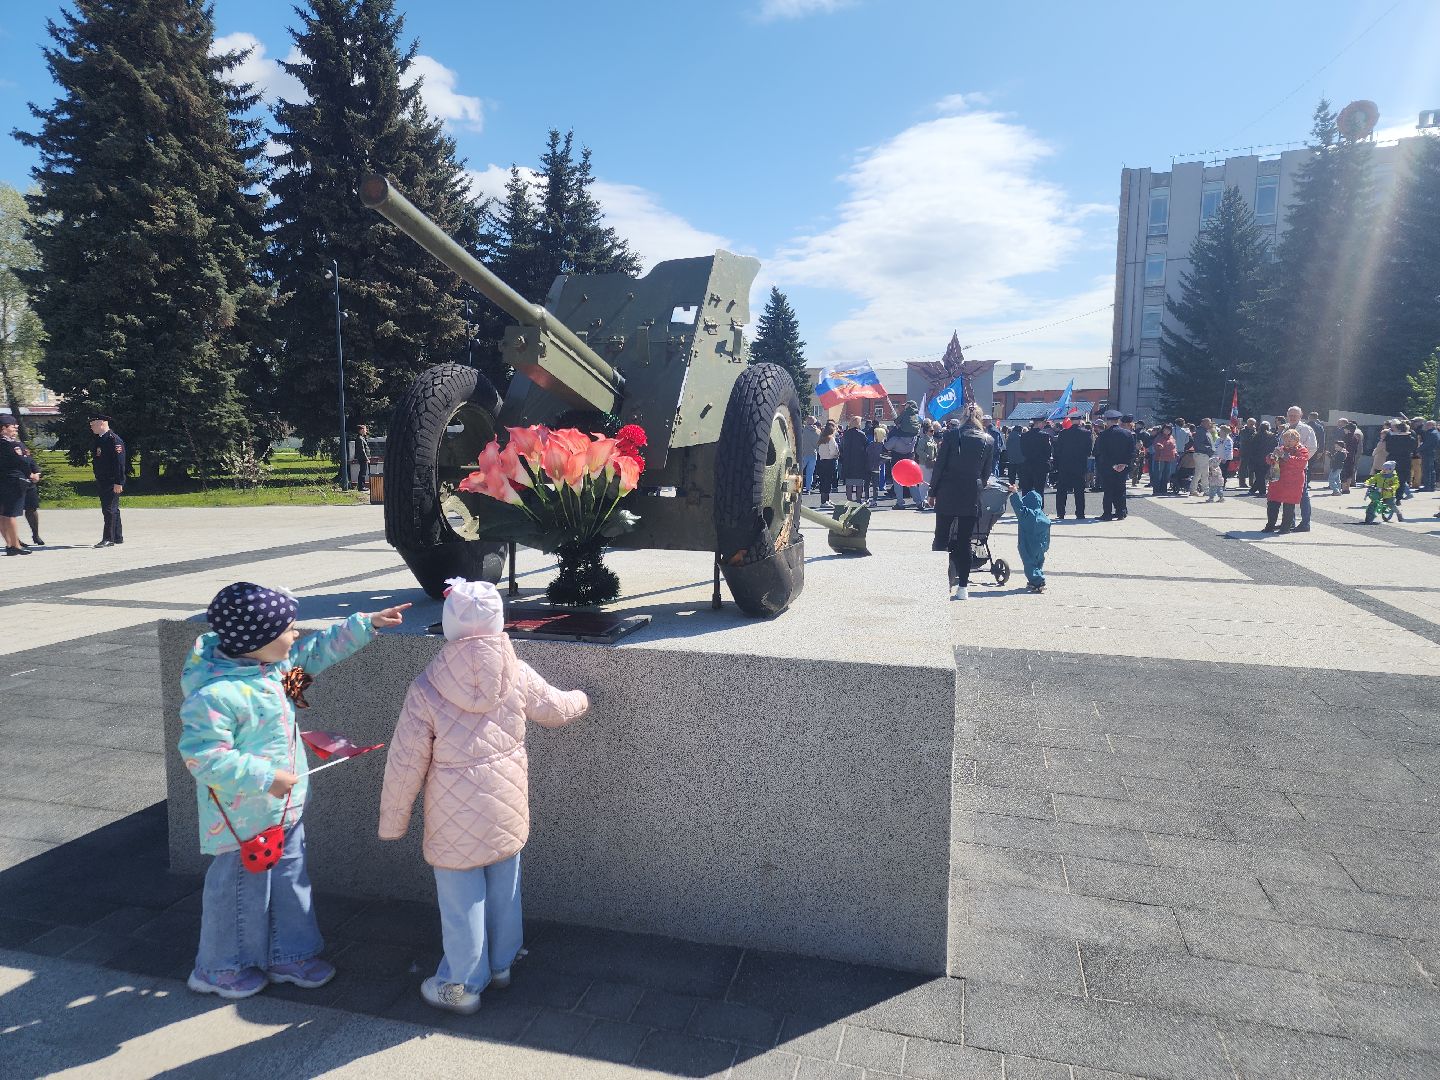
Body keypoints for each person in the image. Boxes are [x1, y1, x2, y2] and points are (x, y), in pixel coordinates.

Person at [178, 582, 411, 999]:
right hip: (239, 821)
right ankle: (218, 966)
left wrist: (365, 625)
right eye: (288, 628)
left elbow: (316, 654)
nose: (296, 635)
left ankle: (290, 954)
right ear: (257, 641)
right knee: (235, 892)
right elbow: (203, 757)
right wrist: (265, 777)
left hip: (285, 810)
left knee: (290, 879)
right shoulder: (215, 695)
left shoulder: (275, 671)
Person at [379, 579, 588, 1015]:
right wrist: (584, 698)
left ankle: (461, 986)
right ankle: (501, 965)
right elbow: (556, 708)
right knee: (504, 890)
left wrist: (393, 822)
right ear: (499, 623)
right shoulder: (517, 672)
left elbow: (404, 763)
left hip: (453, 818)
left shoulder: (427, 688)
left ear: (449, 626)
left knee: (462, 906)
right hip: (506, 808)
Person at [929, 404, 994, 601]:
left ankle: (938, 583)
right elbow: (986, 472)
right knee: (965, 541)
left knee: (941, 537)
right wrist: (977, 486)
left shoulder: (950, 435)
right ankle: (963, 587)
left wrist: (932, 491)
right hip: (971, 491)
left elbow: (939, 466)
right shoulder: (988, 440)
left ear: (964, 417)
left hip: (948, 489)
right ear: (980, 418)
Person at [1, 415, 37, 556]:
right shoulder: (9, 444)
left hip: (3, 482)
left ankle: (9, 544)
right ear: (3, 429)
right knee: (11, 515)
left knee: (3, 515)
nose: (15, 428)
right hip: (13, 482)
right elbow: (21, 462)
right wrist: (31, 474)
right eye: (12, 426)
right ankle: (15, 545)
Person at [1262, 429, 1309, 534]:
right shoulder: (1281, 448)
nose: (1287, 442)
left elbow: (1300, 463)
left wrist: (1284, 456)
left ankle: (1285, 528)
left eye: (1290, 440)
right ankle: (1270, 525)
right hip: (1277, 481)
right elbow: (1270, 461)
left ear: (1297, 440)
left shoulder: (1303, 450)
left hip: (1292, 482)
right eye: (1285, 440)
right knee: (1272, 503)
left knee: (1289, 505)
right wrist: (1271, 456)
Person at [1277, 407, 1317, 531]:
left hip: (1299, 469)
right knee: (1288, 494)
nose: (1292, 417)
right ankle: (1289, 522)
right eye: (1290, 415)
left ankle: (1305, 523)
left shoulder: (1306, 429)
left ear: (1301, 416)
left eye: (1295, 415)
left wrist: (1299, 461)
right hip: (1285, 468)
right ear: (1287, 415)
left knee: (1303, 495)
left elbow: (1312, 447)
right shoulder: (1285, 429)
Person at [89, 413, 126, 547]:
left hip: (111, 480)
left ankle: (108, 538)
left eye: (93, 425)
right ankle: (117, 536)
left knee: (109, 509)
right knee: (113, 509)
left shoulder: (114, 440)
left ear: (101, 423)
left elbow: (119, 463)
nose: (91, 427)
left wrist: (119, 482)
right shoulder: (99, 439)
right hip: (103, 479)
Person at [1007, 483, 1050, 593]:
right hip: (1041, 546)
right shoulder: (1043, 517)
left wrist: (1015, 493)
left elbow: (1018, 507)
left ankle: (1038, 581)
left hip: (1028, 545)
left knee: (1029, 564)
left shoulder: (1027, 514)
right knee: (1038, 563)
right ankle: (1035, 580)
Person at [1093, 412, 1136, 521]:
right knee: (1120, 489)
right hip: (1123, 467)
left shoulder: (1103, 435)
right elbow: (1131, 452)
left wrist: (1113, 464)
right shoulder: (1128, 434)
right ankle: (1120, 512)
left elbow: (1102, 452)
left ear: (1108, 421)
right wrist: (1123, 463)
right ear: (1118, 421)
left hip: (1108, 467)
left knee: (1108, 491)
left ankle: (1107, 513)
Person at [1052, 419, 1091, 520]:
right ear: (1079, 421)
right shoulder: (1086, 433)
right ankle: (1080, 513)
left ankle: (1061, 513)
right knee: (1079, 491)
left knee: (1062, 491)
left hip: (1065, 465)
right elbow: (1088, 451)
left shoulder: (1063, 433)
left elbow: (1058, 450)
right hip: (1079, 465)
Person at [1017, 418, 1052, 495]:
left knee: (1026, 489)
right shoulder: (1045, 436)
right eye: (1043, 423)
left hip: (1028, 464)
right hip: (1041, 465)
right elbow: (1048, 452)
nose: (1044, 425)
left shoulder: (1024, 436)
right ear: (1038, 423)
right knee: (1039, 490)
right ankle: (1039, 506)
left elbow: (1023, 451)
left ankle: (1026, 506)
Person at [839, 416, 868, 504]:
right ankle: (858, 500)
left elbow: (841, 447)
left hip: (848, 461)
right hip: (859, 461)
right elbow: (866, 447)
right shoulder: (861, 434)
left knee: (849, 482)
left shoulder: (846, 434)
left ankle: (849, 500)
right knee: (859, 482)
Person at [1386, 421, 1416, 501]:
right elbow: (1413, 449)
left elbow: (1387, 449)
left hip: (1393, 459)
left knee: (1391, 478)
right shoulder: (1411, 439)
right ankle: (1399, 497)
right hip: (1405, 460)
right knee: (1402, 479)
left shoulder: (1392, 438)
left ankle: (1390, 495)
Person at [1185, 418, 1214, 497]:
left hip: (1202, 454)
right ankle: (1205, 490)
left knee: (1199, 473)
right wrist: (1210, 449)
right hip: (1201, 454)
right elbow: (1199, 444)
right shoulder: (1201, 432)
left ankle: (1194, 489)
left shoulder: (1203, 431)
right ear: (1203, 423)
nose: (1210, 425)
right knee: (1204, 473)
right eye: (1208, 423)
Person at [814, 420, 839, 507]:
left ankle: (825, 499)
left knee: (823, 481)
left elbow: (820, 451)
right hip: (830, 461)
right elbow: (833, 452)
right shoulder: (831, 439)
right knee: (828, 481)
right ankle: (825, 502)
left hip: (822, 461)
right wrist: (837, 454)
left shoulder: (821, 439)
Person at [1150, 424, 1178, 496]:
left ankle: (1163, 490)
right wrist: (1159, 446)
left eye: (1169, 429)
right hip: (1160, 458)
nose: (1167, 431)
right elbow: (1156, 444)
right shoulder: (1159, 437)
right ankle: (1156, 491)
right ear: (1162, 429)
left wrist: (1175, 452)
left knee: (1166, 475)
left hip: (1169, 458)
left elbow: (1174, 446)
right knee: (1158, 474)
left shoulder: (1171, 437)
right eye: (1166, 429)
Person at [865, 425, 886, 507]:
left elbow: (886, 457)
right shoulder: (871, 444)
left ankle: (874, 500)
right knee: (866, 484)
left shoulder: (884, 446)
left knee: (875, 485)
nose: (875, 436)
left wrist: (878, 463)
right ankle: (866, 498)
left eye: (876, 434)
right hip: (868, 467)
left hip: (876, 468)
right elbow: (866, 453)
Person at [1341, 420, 1363, 494]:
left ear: (1349, 429)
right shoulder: (1356, 438)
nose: (1344, 429)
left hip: (1345, 456)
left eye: (1345, 428)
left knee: (1344, 472)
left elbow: (1343, 447)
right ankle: (1347, 488)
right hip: (1352, 456)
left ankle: (1343, 488)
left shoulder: (1346, 437)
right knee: (1350, 472)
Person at [800, 417, 820, 494]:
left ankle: (799, 487)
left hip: (803, 453)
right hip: (813, 453)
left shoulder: (802, 430)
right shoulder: (818, 431)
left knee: (799, 472)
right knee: (810, 473)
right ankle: (808, 489)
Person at [352, 424, 372, 490]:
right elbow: (362, 450)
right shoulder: (359, 439)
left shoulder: (362, 438)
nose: (366, 430)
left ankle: (361, 486)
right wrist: (366, 458)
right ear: (361, 430)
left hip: (363, 458)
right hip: (363, 458)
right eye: (365, 429)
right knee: (363, 472)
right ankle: (361, 487)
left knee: (363, 472)